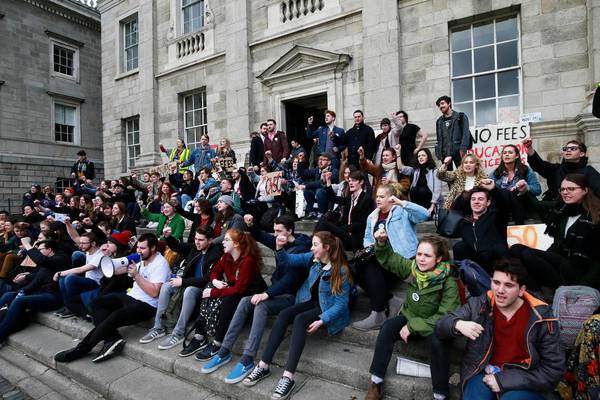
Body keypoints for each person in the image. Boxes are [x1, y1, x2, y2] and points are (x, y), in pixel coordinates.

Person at [199, 214, 310, 383]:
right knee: (245, 301)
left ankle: (248, 358)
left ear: (290, 231)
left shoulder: (300, 249)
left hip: (290, 295)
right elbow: (262, 236)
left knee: (261, 306)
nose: (275, 234)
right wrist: (250, 225)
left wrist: (267, 294)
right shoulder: (280, 241)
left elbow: (291, 280)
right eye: (274, 230)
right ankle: (224, 350)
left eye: (279, 231)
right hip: (275, 290)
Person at [242, 232, 352, 400]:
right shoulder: (312, 259)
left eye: (315, 245)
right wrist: (279, 247)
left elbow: (341, 304)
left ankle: (288, 377)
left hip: (326, 308)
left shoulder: (341, 270)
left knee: (300, 319)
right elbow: (289, 260)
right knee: (285, 314)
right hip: (308, 301)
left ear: (326, 248)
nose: (312, 248)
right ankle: (263, 365)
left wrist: (323, 319)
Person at [435, 259, 564, 400]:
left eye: (508, 285)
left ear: (521, 290)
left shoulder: (542, 317)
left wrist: (503, 380)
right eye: (496, 283)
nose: (500, 290)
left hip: (523, 378)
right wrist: (457, 324)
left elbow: (553, 370)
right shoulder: (480, 304)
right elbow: (440, 325)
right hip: (483, 372)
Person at [364, 232, 460, 400]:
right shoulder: (413, 269)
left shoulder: (448, 282)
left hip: (432, 326)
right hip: (409, 317)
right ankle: (376, 382)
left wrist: (412, 326)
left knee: (439, 341)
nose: (421, 259)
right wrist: (381, 242)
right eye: (419, 254)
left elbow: (445, 317)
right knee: (387, 327)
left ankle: (440, 394)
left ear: (438, 259)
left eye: (427, 255)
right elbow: (390, 258)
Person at [54, 233, 170, 363]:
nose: (139, 251)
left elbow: (154, 292)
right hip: (131, 296)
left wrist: (136, 275)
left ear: (153, 248)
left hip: (147, 305)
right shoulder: (141, 260)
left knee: (114, 316)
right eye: (138, 247)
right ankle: (112, 338)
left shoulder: (161, 264)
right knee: (96, 303)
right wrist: (107, 259)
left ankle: (81, 349)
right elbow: (114, 271)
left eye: (142, 248)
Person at [355, 185, 429, 331]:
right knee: (355, 267)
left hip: (401, 260)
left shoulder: (402, 212)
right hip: (381, 258)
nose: (378, 199)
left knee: (371, 265)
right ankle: (390, 300)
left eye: (382, 196)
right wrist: (371, 247)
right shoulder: (372, 216)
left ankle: (378, 313)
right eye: (377, 196)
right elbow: (367, 238)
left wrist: (402, 202)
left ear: (391, 198)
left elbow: (424, 215)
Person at [184, 229, 264, 361]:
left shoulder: (247, 261)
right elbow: (215, 271)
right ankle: (200, 335)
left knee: (228, 298)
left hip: (251, 295)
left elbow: (239, 289)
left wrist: (214, 292)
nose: (223, 242)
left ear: (236, 244)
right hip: (236, 289)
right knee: (208, 287)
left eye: (226, 240)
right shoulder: (226, 255)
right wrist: (215, 282)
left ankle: (218, 342)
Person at [139, 225, 223, 351]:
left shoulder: (215, 253)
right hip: (188, 282)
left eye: (201, 240)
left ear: (210, 240)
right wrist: (168, 237)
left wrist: (183, 282)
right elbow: (178, 247)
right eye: (196, 238)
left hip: (203, 288)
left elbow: (206, 279)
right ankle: (158, 327)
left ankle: (178, 333)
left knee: (189, 290)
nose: (197, 242)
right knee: (167, 286)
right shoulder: (195, 247)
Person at [510, 174, 600, 290]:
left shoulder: (595, 216)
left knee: (527, 255)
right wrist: (525, 191)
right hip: (560, 263)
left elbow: (598, 261)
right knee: (516, 249)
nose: (565, 192)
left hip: (578, 272)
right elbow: (537, 206)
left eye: (571, 189)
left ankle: (546, 290)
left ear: (585, 190)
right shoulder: (562, 210)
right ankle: (536, 292)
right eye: (562, 189)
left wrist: (584, 288)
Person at [0, 239, 70, 345]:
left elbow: (41, 260)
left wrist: (28, 245)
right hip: (41, 293)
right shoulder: (46, 263)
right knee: (8, 295)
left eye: (40, 249)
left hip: (54, 296)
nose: (38, 252)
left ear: (49, 249)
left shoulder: (61, 258)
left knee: (20, 301)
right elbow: (36, 282)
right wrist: (20, 291)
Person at [452, 181, 510, 273]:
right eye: (473, 199)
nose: (476, 202)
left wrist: (494, 189)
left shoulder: (496, 217)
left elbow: (503, 206)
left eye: (480, 199)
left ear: (488, 202)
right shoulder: (465, 222)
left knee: (491, 252)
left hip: (495, 263)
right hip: (475, 262)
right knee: (459, 247)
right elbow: (453, 211)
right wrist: (464, 193)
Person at [522, 138, 600, 201]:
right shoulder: (556, 169)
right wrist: (529, 148)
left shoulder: (589, 171)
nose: (568, 150)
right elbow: (539, 165)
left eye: (573, 149)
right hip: (556, 211)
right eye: (566, 149)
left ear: (582, 153)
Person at [315, 170, 373, 252]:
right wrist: (328, 181)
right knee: (323, 219)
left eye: (354, 180)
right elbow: (332, 198)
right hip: (345, 233)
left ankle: (313, 243)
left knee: (325, 224)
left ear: (361, 182)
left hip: (354, 238)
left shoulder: (365, 199)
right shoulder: (350, 198)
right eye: (349, 181)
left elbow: (361, 224)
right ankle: (314, 243)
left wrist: (342, 228)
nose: (351, 183)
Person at [53, 232, 104, 319]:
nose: (80, 245)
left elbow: (80, 270)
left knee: (70, 278)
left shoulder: (100, 255)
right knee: (62, 279)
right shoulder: (88, 250)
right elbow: (75, 236)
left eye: (83, 243)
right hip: (88, 280)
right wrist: (68, 223)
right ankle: (69, 306)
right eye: (80, 243)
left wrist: (59, 273)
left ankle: (74, 306)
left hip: (96, 284)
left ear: (93, 243)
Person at [489, 144, 541, 224]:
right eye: (504, 153)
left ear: (516, 156)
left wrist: (526, 187)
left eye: (510, 152)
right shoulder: (495, 173)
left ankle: (518, 225)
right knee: (505, 193)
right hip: (502, 205)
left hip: (522, 204)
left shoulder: (526, 170)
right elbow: (491, 193)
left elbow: (537, 190)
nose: (507, 154)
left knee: (515, 192)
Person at [398, 147, 442, 217]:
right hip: (418, 199)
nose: (420, 157)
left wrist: (432, 207)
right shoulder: (415, 170)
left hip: (429, 202)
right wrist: (398, 153)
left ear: (428, 157)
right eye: (419, 156)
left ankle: (428, 213)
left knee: (422, 190)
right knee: (413, 190)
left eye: (423, 155)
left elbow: (437, 190)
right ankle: (417, 212)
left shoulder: (435, 171)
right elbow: (400, 168)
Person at [434, 95, 472, 170]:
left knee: (463, 176)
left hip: (459, 153)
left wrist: (463, 150)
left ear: (449, 103)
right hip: (444, 155)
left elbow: (465, 135)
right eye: (439, 105)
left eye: (442, 103)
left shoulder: (460, 117)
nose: (440, 106)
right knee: (449, 179)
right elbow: (439, 139)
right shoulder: (439, 121)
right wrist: (439, 154)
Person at [297, 152, 338, 220]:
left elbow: (321, 183)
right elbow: (303, 174)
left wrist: (306, 185)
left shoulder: (333, 171)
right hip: (318, 193)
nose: (320, 161)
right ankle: (311, 212)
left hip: (330, 195)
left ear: (329, 162)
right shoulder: (317, 170)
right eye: (319, 159)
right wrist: (301, 161)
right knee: (307, 191)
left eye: (323, 159)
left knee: (319, 190)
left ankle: (322, 213)